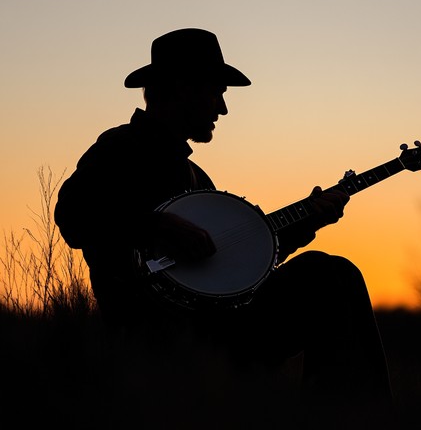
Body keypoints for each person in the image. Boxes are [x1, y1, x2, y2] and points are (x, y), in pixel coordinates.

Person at [54, 28, 392, 405]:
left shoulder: (196, 179)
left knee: (332, 274)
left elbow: (235, 271)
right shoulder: (120, 147)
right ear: (183, 88)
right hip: (160, 337)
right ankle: (350, 426)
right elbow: (72, 213)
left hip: (219, 327)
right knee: (327, 276)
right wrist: (156, 224)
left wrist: (307, 222)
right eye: (216, 93)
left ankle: (351, 426)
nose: (223, 108)